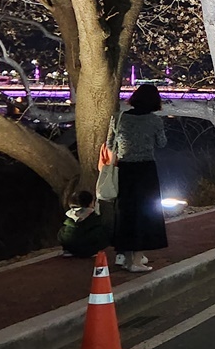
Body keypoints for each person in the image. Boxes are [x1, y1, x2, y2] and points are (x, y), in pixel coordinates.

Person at [112, 83, 168, 272]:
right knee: (145, 213)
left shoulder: (120, 118)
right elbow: (162, 144)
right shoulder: (154, 121)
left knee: (127, 211)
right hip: (145, 170)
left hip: (125, 169)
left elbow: (111, 144)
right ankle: (136, 260)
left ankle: (127, 257)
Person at [58, 189, 112, 258]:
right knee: (104, 231)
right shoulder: (90, 212)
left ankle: (69, 250)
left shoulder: (70, 214)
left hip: (69, 247)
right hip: (86, 249)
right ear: (90, 203)